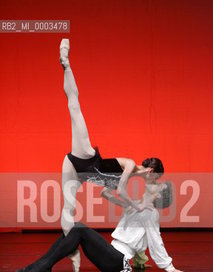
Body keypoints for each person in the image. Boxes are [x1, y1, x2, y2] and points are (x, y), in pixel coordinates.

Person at [58, 39, 165, 238]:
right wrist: (136, 206)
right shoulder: (131, 166)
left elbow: (106, 194)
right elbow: (122, 190)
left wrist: (126, 206)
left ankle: (73, 257)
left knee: (69, 207)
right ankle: (66, 64)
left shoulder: (130, 175)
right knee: (75, 109)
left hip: (79, 174)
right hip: (86, 158)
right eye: (156, 178)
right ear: (151, 171)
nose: (154, 183)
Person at [16, 180, 189, 272]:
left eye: (159, 186)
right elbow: (107, 196)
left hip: (118, 260)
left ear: (158, 195)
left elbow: (155, 240)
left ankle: (42, 266)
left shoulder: (151, 214)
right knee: (73, 229)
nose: (155, 184)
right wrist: (112, 182)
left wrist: (168, 266)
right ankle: (40, 265)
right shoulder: (137, 205)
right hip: (111, 253)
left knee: (79, 228)